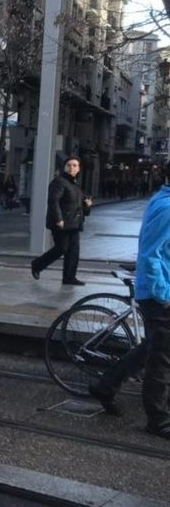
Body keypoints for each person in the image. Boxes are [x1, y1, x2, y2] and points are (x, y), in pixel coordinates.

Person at [91, 164, 170, 436]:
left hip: (160, 290)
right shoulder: (167, 207)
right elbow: (150, 254)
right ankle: (158, 420)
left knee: (151, 348)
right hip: (160, 296)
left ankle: (106, 385)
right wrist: (164, 296)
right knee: (160, 358)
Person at [30, 156, 91, 286]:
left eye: (75, 165)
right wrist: (58, 219)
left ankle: (69, 278)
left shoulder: (75, 184)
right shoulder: (59, 182)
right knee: (61, 248)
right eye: (69, 165)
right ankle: (37, 265)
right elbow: (53, 201)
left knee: (73, 251)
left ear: (79, 168)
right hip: (62, 222)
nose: (71, 168)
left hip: (74, 222)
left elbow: (78, 203)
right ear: (64, 167)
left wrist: (87, 204)